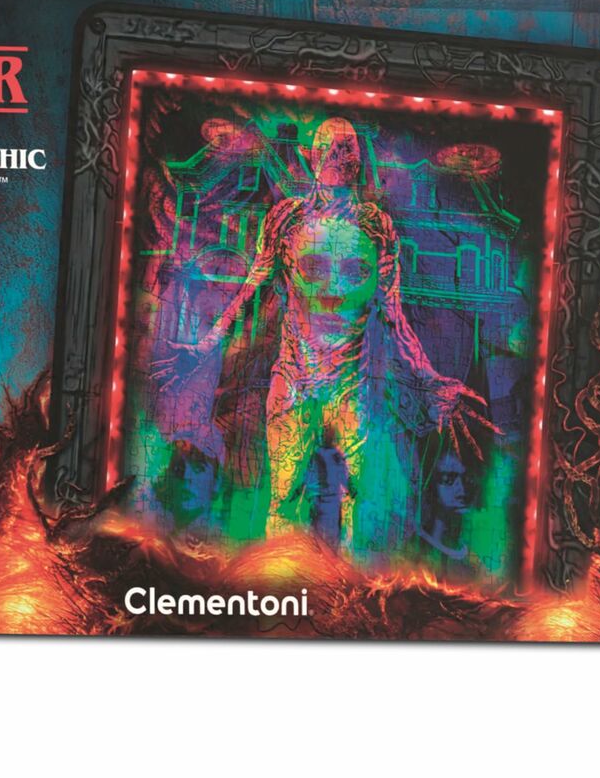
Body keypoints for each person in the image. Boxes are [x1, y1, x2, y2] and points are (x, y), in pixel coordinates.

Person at [155, 117, 495, 551]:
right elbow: (253, 291)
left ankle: (347, 587)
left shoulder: (376, 226)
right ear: (309, 155)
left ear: (360, 158)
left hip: (351, 384)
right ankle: (283, 580)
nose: (339, 156)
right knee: (284, 497)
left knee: (357, 500)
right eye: (330, 147)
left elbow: (393, 314)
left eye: (347, 147)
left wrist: (428, 377)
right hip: (295, 378)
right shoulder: (287, 219)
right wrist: (205, 345)